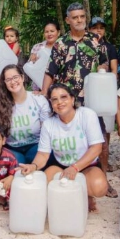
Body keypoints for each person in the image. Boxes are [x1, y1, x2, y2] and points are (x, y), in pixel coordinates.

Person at [19, 84, 109, 212]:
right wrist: (33, 166)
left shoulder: (87, 115)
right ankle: (72, 200)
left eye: (63, 97)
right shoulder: (49, 124)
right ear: (51, 104)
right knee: (45, 185)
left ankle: (87, 195)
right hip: (60, 165)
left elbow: (96, 147)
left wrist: (75, 167)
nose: (59, 102)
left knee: (99, 187)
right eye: (54, 99)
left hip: (86, 165)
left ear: (72, 99)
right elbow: (43, 155)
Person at [41, 3, 108, 105]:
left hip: (92, 96)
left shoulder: (96, 40)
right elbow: (50, 71)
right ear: (68, 20)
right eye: (75, 17)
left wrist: (102, 68)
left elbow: (104, 62)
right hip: (66, 99)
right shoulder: (60, 43)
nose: (79, 20)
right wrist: (44, 93)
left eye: (82, 16)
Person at [0, 64, 51, 164]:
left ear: (22, 77)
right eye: (8, 79)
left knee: (37, 164)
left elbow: (48, 129)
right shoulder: (0, 105)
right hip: (12, 147)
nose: (13, 81)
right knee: (16, 168)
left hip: (36, 145)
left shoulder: (38, 100)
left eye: (16, 77)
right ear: (5, 83)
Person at [88, 16, 119, 197]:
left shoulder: (109, 48)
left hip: (104, 96)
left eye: (101, 28)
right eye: (95, 28)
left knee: (104, 139)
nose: (98, 31)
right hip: (86, 96)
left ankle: (105, 180)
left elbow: (114, 72)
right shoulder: (84, 46)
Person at [27, 20, 61, 91]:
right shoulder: (37, 47)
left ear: (58, 32)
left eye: (52, 31)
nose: (49, 34)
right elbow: (29, 67)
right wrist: (32, 61)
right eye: (46, 32)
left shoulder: (63, 47)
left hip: (58, 85)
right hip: (39, 85)